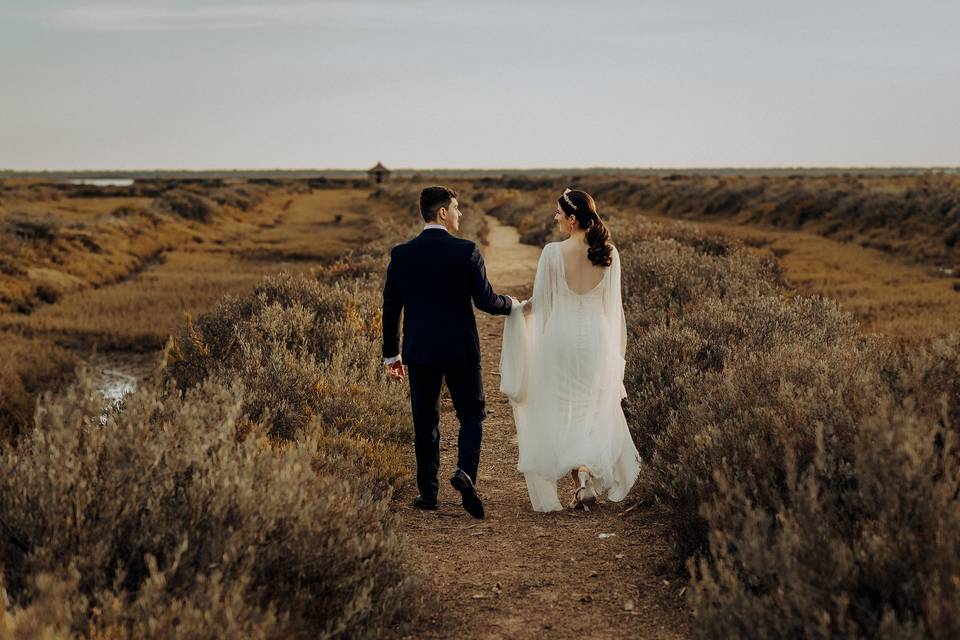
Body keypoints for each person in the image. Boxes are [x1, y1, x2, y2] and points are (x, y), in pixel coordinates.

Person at [382, 186, 519, 519]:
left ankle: (428, 495)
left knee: (425, 421)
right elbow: (485, 301)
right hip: (460, 350)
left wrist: (392, 356)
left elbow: (391, 309)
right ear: (442, 212)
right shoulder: (465, 251)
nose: (459, 214)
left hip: (420, 351)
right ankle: (465, 474)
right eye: (456, 208)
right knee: (471, 414)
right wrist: (513, 305)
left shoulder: (401, 254)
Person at [500, 188, 640, 512]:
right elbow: (613, 309)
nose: (555, 218)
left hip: (560, 338)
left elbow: (541, 302)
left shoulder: (552, 253)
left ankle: (580, 479)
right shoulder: (610, 253)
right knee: (592, 406)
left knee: (563, 405)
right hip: (597, 337)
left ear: (573, 218)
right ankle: (585, 474)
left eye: (559, 214)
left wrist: (518, 310)